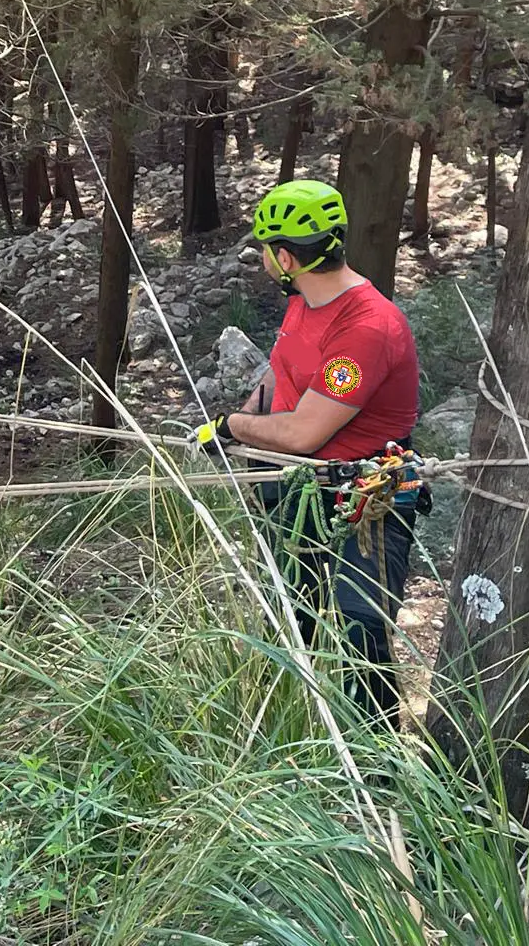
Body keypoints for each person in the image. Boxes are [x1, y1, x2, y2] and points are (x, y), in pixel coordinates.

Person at [193, 179, 421, 726]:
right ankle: (298, 730)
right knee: (292, 614)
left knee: (358, 627)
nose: (263, 259)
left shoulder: (366, 328)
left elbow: (302, 434)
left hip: (362, 497)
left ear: (287, 258)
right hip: (296, 488)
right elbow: (282, 373)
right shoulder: (306, 302)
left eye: (266, 249)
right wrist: (236, 428)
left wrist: (234, 426)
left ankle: (374, 754)